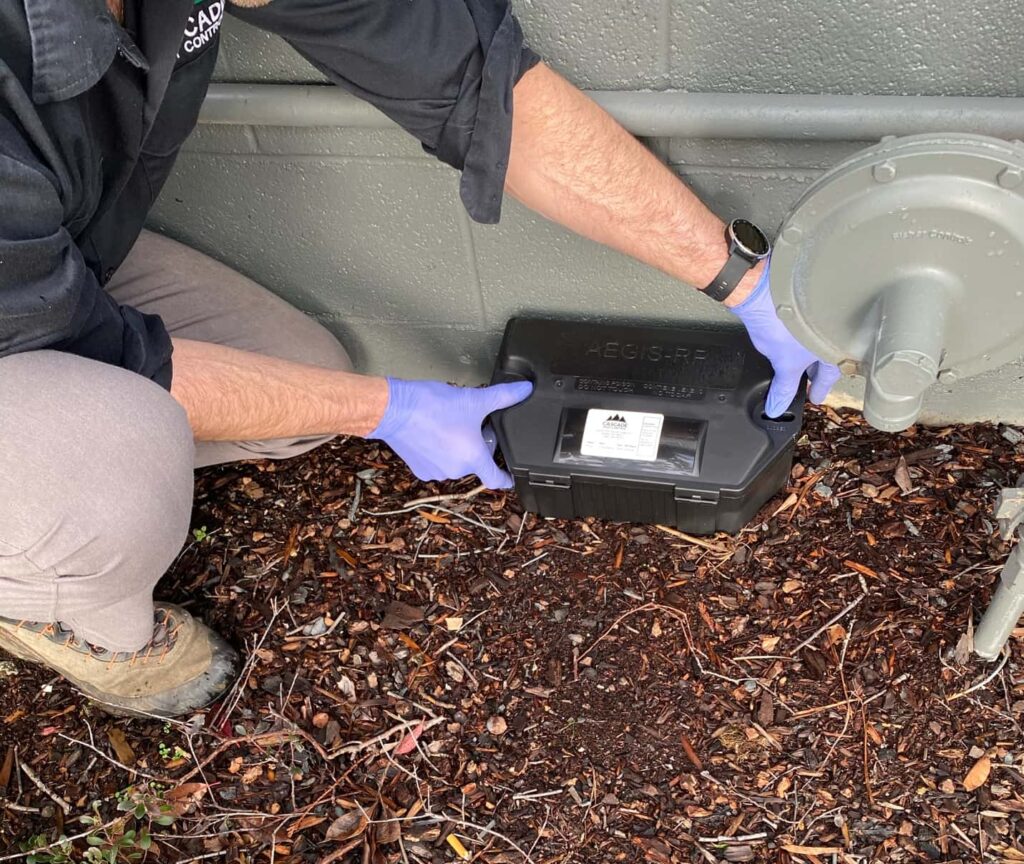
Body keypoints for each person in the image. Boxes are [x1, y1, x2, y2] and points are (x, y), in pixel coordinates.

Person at [0, 0, 840, 717]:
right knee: (118, 451)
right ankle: (61, 611)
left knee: (295, 369)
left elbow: (480, 84)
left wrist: (745, 282)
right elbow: (100, 357)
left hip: (45, 267)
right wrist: (389, 409)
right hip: (26, 319)